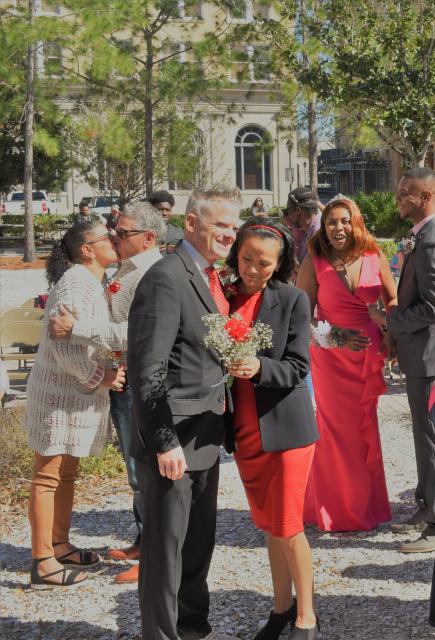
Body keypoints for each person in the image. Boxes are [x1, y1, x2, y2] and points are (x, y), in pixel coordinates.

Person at [127, 185, 242, 640]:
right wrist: (163, 440)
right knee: (166, 549)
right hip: (174, 438)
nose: (229, 235)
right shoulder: (165, 277)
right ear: (191, 223)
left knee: (197, 543)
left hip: (207, 431)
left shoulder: (210, 276)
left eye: (234, 227)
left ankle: (192, 627)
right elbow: (146, 368)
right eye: (220, 225)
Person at [45, 201, 166, 584]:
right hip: (118, 377)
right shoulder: (122, 270)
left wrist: (79, 328)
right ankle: (143, 539)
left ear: (148, 238)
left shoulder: (151, 274)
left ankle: (155, 554)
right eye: (113, 229)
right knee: (135, 467)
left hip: (135, 377)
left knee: (145, 469)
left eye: (123, 232)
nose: (115, 235)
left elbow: (137, 332)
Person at [225, 220, 320, 639]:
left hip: (285, 432)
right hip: (244, 432)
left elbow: (300, 366)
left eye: (264, 263)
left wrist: (261, 366)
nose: (253, 269)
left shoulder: (294, 299)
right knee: (268, 525)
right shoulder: (222, 297)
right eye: (247, 259)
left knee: (288, 525)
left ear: (280, 262)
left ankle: (308, 617)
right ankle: (281, 607)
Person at [23, 220, 124, 588]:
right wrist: (103, 377)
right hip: (57, 398)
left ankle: (59, 544)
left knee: (65, 473)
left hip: (73, 398)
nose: (114, 240)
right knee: (47, 476)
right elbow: (66, 347)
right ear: (87, 249)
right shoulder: (75, 284)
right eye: (106, 237)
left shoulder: (88, 283)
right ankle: (42, 561)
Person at [297, 196, 397, 531]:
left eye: (343, 221)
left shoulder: (374, 255)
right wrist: (334, 337)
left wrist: (386, 324)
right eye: (331, 222)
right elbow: (301, 316)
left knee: (363, 430)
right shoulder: (314, 260)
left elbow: (393, 299)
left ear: (356, 222)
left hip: (367, 356)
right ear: (323, 227)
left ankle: (366, 505)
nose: (337, 228)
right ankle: (330, 508)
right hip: (330, 359)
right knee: (334, 432)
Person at [382, 168, 435, 553]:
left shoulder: (432, 241)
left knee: (432, 439)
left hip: (431, 356)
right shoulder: (424, 235)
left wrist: (389, 321)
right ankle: (425, 505)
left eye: (404, 194)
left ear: (425, 197)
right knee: (423, 436)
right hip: (422, 354)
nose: (397, 199)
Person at [282, 187, 324, 269]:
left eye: (288, 211)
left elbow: (311, 271)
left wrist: (290, 260)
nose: (288, 215)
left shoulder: (317, 232)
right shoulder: (311, 226)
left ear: (298, 210)